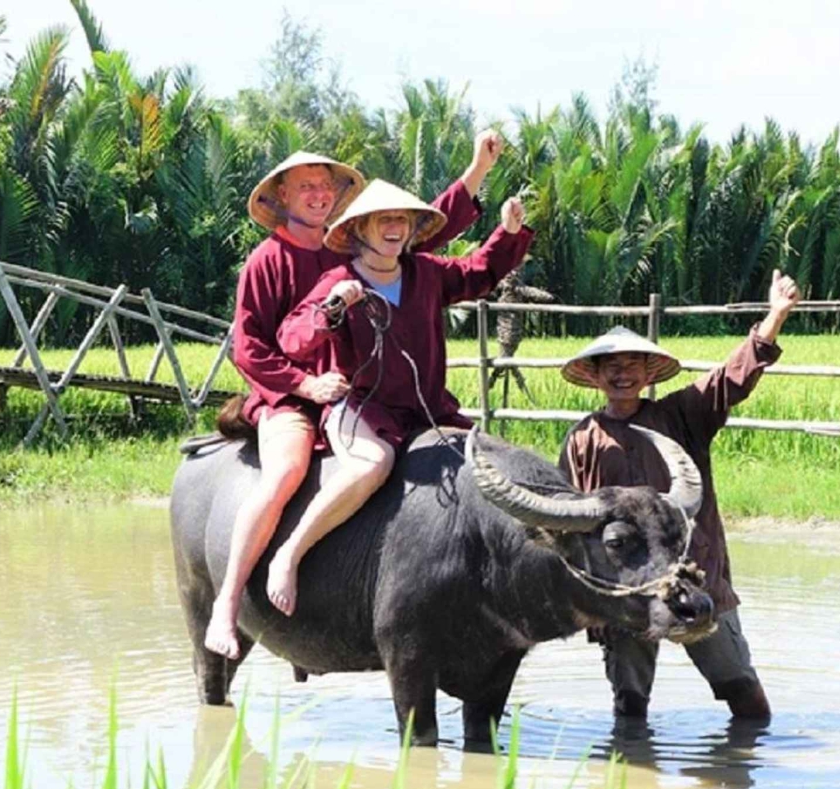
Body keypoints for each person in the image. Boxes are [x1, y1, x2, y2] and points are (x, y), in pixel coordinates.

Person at [203, 133, 506, 659]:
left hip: (362, 387)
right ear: (282, 196)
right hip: (295, 395)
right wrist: (303, 385)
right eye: (305, 187)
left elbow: (424, 229)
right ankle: (227, 605)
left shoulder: (356, 247)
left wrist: (478, 169)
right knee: (286, 473)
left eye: (325, 186)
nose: (318, 194)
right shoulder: (267, 261)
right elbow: (250, 347)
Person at [267, 180, 534, 614]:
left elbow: (480, 272)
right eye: (383, 219)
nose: (394, 226)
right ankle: (290, 553)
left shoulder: (426, 273)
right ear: (361, 229)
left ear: (412, 229)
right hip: (361, 409)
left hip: (427, 410)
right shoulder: (338, 280)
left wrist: (507, 231)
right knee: (374, 464)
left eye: (402, 219)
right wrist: (333, 308)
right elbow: (292, 340)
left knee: (487, 461)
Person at [558, 269, 803, 720]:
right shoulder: (582, 440)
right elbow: (570, 523)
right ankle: (633, 777)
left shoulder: (682, 415)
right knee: (629, 707)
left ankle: (745, 764)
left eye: (633, 364)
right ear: (594, 377)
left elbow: (731, 379)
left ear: (649, 373)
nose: (622, 373)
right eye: (610, 366)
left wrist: (775, 316)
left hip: (696, 576)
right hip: (627, 592)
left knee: (742, 694)